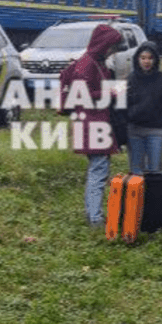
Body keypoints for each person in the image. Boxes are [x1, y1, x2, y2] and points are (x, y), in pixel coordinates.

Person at [62, 24, 122, 226]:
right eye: (111, 46)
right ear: (103, 44)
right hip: (92, 122)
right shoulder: (88, 65)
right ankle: (95, 218)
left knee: (96, 168)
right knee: (99, 170)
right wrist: (110, 93)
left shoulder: (92, 61)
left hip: (92, 120)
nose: (112, 51)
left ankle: (92, 213)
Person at [125, 42, 162, 174]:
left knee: (155, 170)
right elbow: (121, 106)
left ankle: (153, 195)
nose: (146, 61)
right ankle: (137, 195)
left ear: (155, 59)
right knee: (136, 170)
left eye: (150, 58)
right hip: (134, 131)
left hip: (156, 131)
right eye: (143, 58)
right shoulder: (129, 79)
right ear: (137, 59)